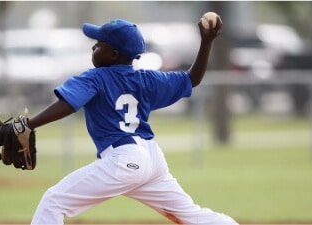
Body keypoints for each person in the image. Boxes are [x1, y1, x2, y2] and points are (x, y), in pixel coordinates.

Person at [29, 16, 238, 225]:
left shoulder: (96, 77)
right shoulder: (147, 79)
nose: (93, 47)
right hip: (152, 159)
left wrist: (28, 125)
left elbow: (68, 104)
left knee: (53, 202)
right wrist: (207, 41)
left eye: (99, 44)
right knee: (191, 215)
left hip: (123, 160)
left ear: (113, 54)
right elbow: (192, 79)